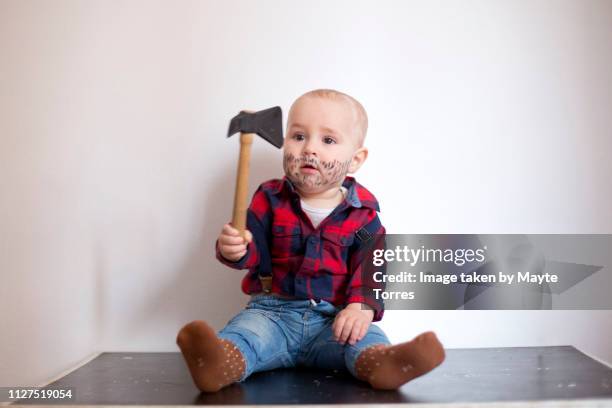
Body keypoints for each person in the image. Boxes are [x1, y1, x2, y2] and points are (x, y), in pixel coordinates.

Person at [176, 89, 445, 392]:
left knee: (363, 339)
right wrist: (234, 248)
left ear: (355, 159)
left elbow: (374, 269)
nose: (309, 149)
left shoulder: (364, 215)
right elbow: (250, 253)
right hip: (272, 314)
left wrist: (360, 308)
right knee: (246, 335)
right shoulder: (269, 198)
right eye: (299, 136)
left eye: (328, 140)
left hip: (333, 321)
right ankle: (219, 363)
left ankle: (384, 363)